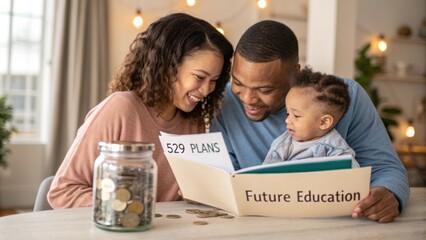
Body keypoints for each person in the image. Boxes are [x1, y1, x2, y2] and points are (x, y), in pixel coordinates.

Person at [210, 20, 409, 223]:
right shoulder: (224, 101)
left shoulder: (345, 96)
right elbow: (224, 178)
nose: (247, 98)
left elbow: (387, 168)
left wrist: (389, 193)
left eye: (264, 90)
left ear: (295, 73)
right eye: (238, 82)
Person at [48, 13, 233, 208]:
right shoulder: (121, 109)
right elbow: (63, 191)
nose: (206, 90)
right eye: (199, 77)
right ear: (168, 67)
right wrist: (129, 207)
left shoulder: (194, 123)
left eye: (213, 81)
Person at [263, 66, 359, 169]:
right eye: (287, 114)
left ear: (324, 122)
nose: (287, 120)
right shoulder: (282, 145)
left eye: (296, 115)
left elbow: (352, 175)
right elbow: (267, 175)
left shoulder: (335, 149)